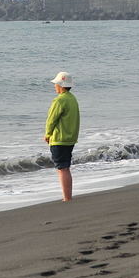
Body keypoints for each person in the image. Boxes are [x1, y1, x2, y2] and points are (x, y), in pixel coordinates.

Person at [44, 71, 79, 201]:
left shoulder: (59, 100)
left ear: (61, 85)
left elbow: (51, 119)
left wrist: (47, 134)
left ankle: (67, 197)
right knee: (66, 167)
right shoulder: (72, 99)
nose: (55, 86)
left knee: (62, 168)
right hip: (70, 138)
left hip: (59, 139)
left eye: (56, 84)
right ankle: (68, 196)